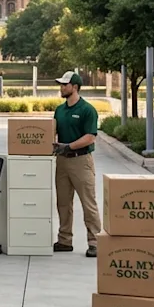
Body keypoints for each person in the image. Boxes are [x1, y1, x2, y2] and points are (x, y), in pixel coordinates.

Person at [51, 70, 100, 258]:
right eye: (61, 85)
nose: (61, 88)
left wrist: (68, 146)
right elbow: (52, 132)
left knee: (88, 203)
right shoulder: (60, 110)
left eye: (65, 85)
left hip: (81, 160)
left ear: (75, 87)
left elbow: (90, 137)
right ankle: (64, 240)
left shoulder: (87, 110)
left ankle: (95, 242)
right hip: (62, 161)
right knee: (63, 203)